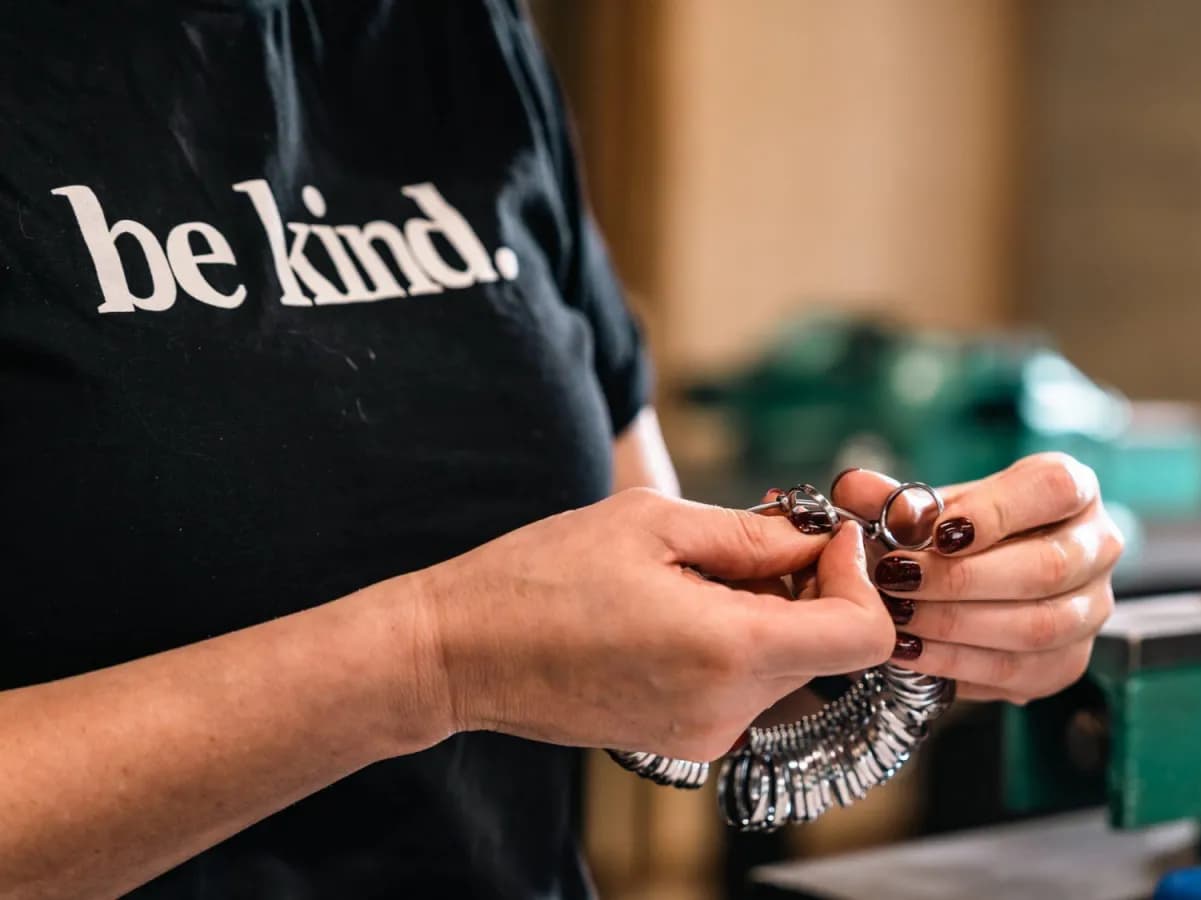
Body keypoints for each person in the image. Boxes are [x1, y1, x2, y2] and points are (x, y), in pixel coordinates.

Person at [0, 2, 1122, 898]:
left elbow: (655, 613)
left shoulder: (460, 45)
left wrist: (911, 608)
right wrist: (435, 659)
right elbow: (485, 641)